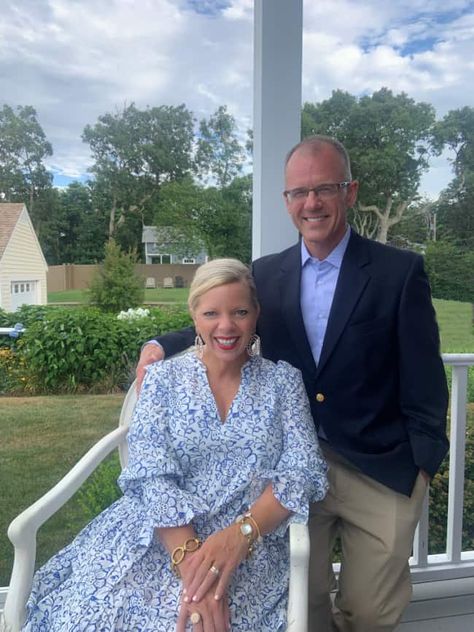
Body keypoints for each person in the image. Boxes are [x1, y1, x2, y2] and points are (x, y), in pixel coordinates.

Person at [136, 136, 449, 632]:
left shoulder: (398, 272)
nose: (312, 203)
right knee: (301, 604)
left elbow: (426, 379)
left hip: (380, 466)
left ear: (350, 191)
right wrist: (163, 342)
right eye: (299, 192)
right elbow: (229, 315)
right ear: (286, 201)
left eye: (325, 188)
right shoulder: (269, 272)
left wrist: (422, 465)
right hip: (292, 467)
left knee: (370, 612)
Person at [21, 258, 328, 632]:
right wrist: (194, 573)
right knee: (104, 612)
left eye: (240, 311)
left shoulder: (283, 383)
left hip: (248, 550)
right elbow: (151, 475)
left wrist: (239, 535)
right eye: (211, 312)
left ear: (256, 314)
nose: (227, 326)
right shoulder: (163, 380)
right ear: (194, 315)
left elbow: (303, 471)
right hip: (160, 535)